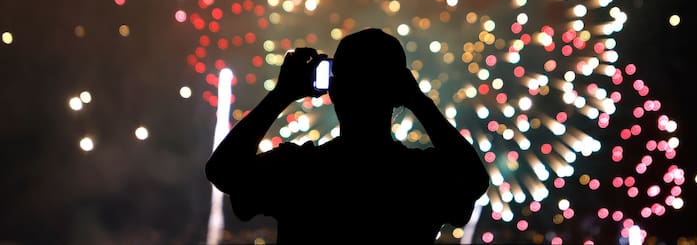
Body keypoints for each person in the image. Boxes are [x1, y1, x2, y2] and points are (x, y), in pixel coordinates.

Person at [205, 27, 490, 243]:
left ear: (333, 90)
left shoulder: (300, 171)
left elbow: (223, 170)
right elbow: (474, 180)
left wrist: (282, 94)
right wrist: (418, 100)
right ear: (397, 92)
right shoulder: (421, 176)